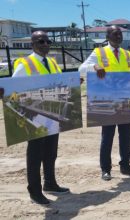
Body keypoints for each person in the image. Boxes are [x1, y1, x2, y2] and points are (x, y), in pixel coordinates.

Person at [79, 25, 130, 180]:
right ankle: (105, 169)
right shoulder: (99, 52)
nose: (118, 37)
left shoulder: (126, 54)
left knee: (125, 136)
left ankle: (126, 166)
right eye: (115, 34)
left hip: (124, 100)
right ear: (107, 36)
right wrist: (94, 66)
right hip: (106, 101)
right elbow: (81, 68)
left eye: (120, 34)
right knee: (107, 136)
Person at [11, 31, 70, 205]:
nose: (45, 44)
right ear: (32, 44)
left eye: (47, 41)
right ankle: (34, 191)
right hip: (34, 117)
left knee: (51, 152)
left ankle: (50, 183)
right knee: (35, 154)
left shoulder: (52, 62)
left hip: (52, 114)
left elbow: (58, 81)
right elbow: (13, 87)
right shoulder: (25, 64)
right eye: (41, 41)